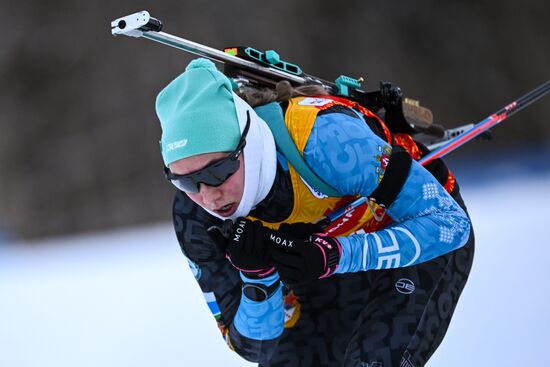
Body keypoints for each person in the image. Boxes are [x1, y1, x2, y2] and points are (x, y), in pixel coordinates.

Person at [155, 58, 474, 367]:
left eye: (218, 171)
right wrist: (259, 281)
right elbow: (254, 348)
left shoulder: (325, 139)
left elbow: (450, 225)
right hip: (317, 261)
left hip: (418, 233)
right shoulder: (195, 219)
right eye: (185, 181)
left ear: (248, 143)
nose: (208, 195)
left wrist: (336, 254)